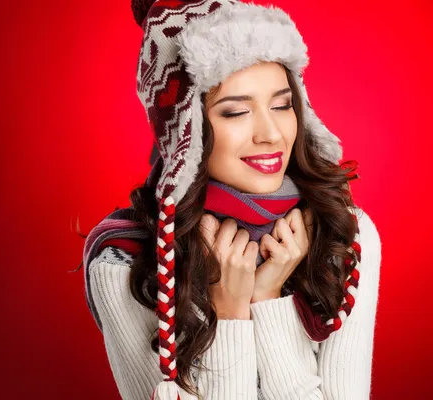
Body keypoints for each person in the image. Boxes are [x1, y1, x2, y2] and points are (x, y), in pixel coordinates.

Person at [79, 1, 382, 399]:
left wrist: (267, 298)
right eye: (236, 112)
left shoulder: (344, 233)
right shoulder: (125, 263)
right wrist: (229, 313)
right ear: (188, 132)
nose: (271, 133)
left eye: (282, 104)